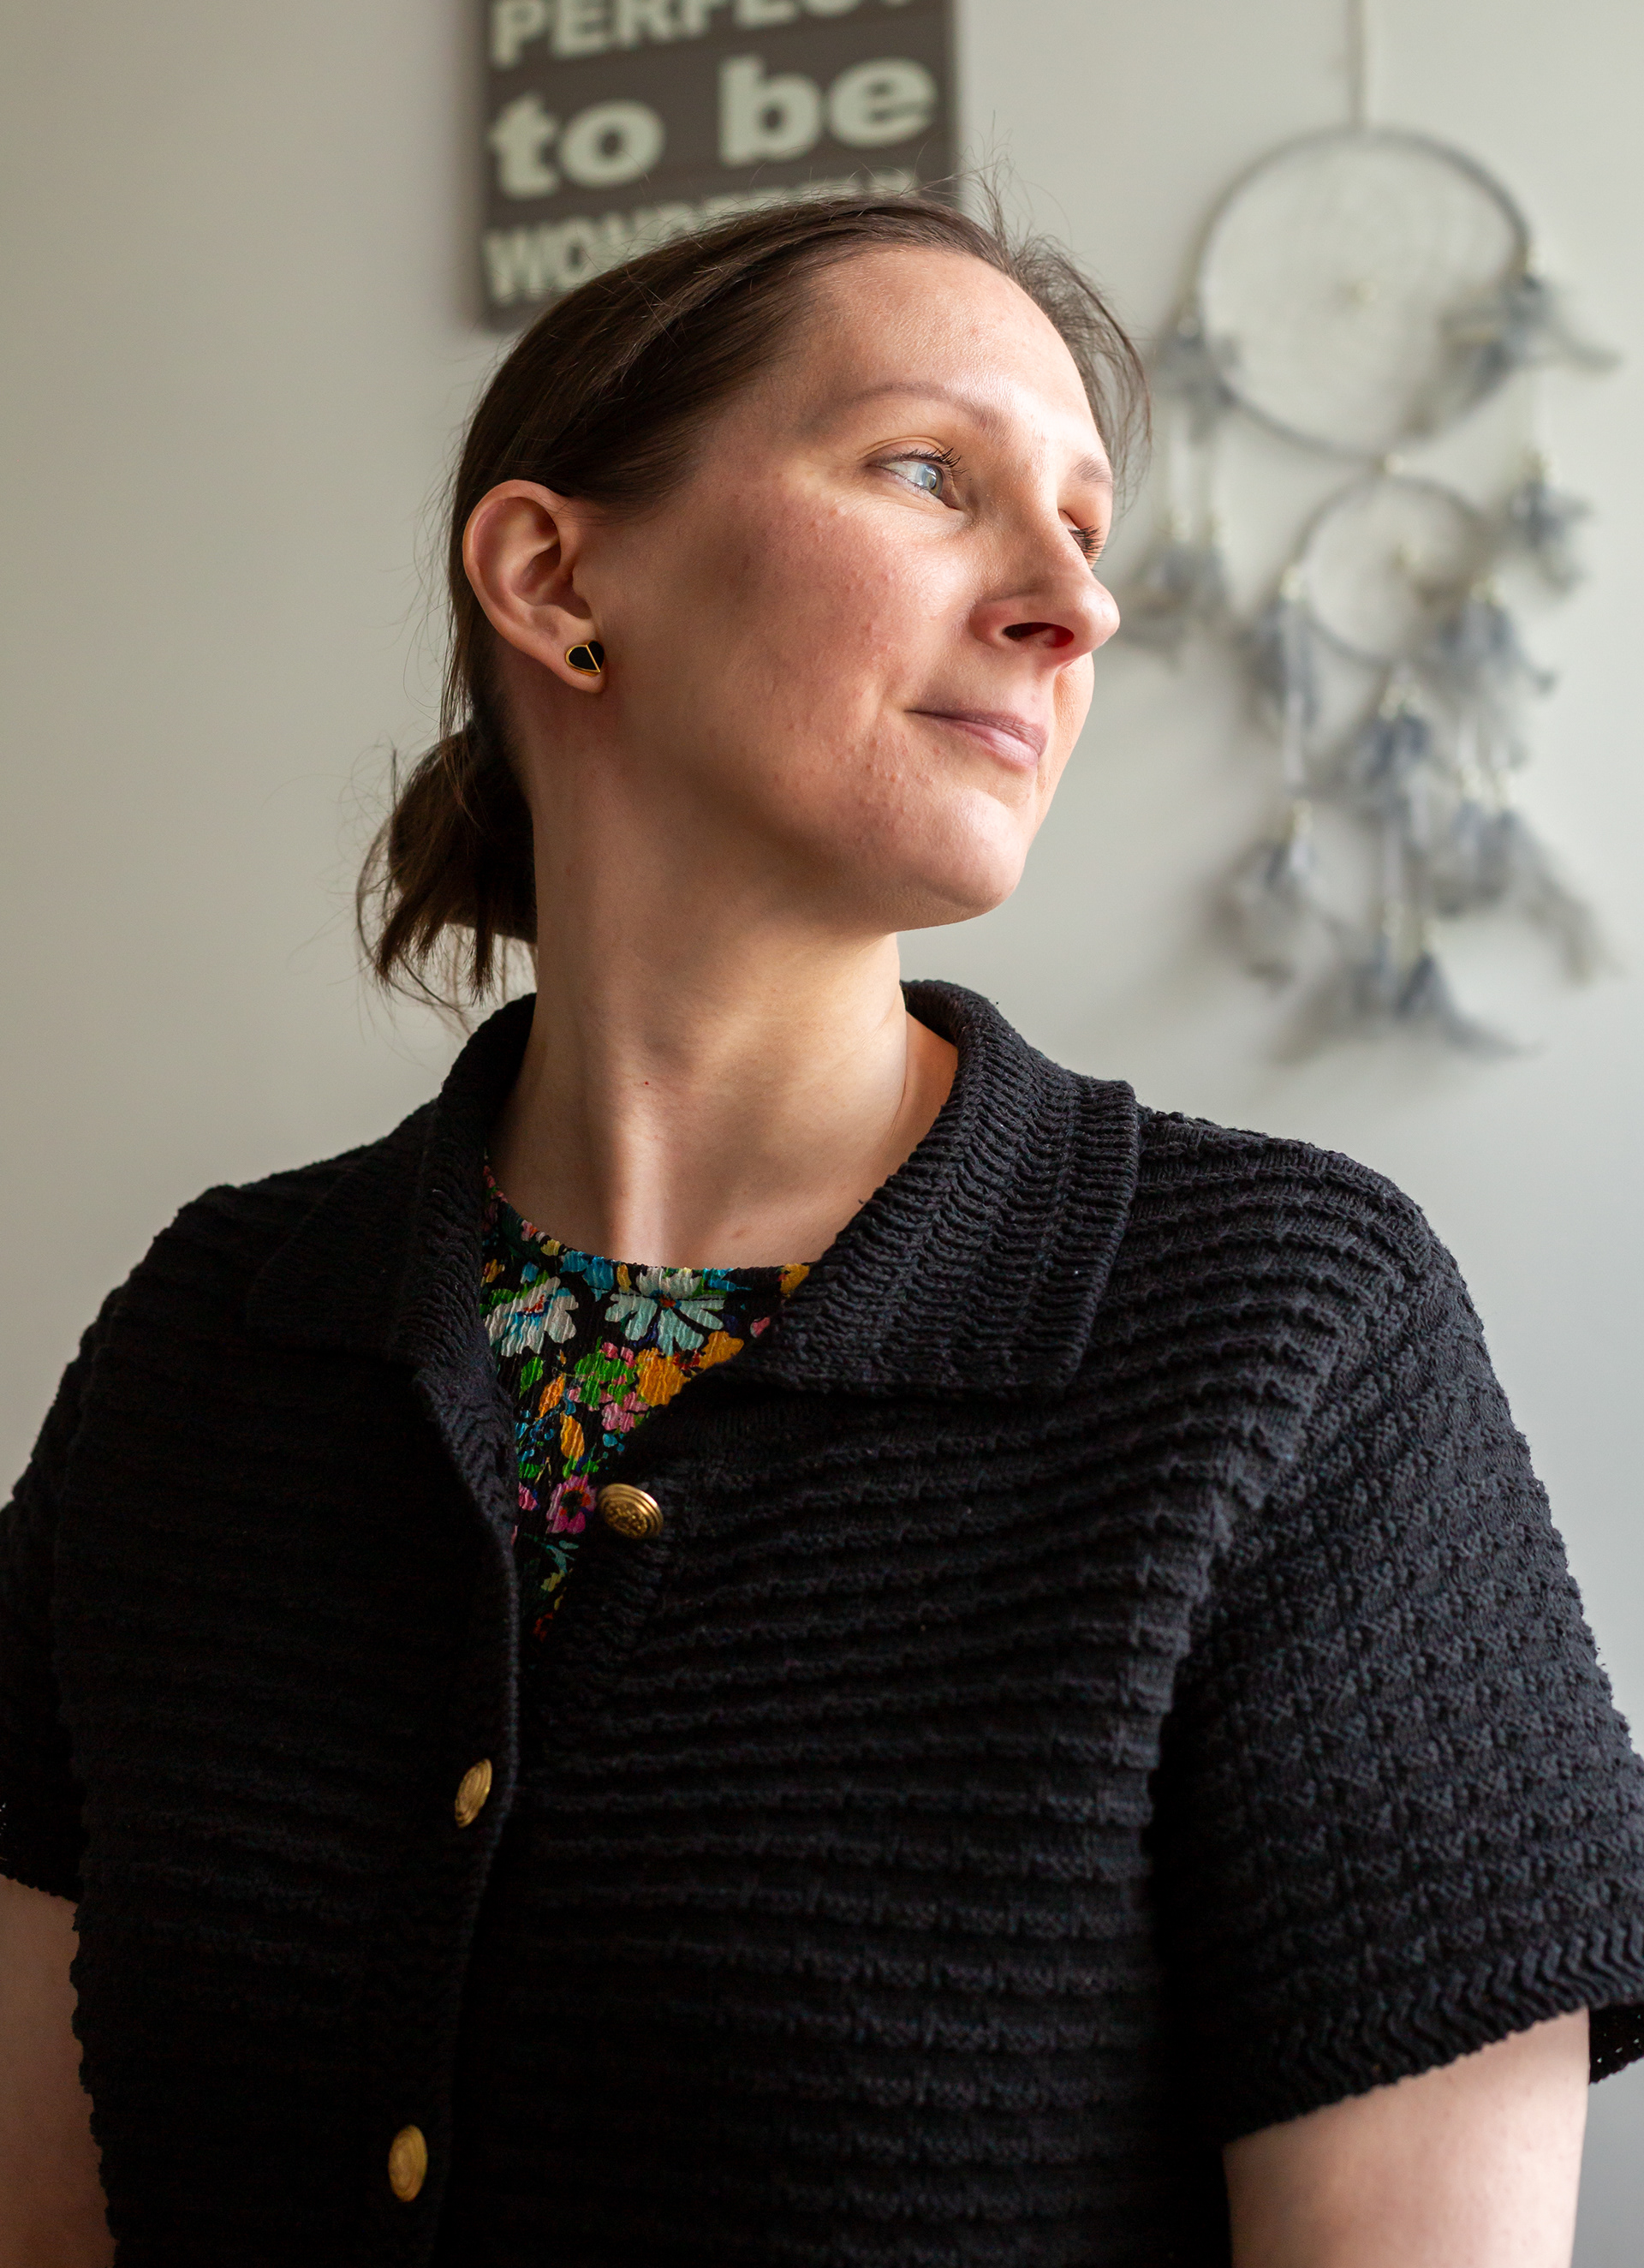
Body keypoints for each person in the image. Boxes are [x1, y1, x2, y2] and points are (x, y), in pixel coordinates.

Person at [2, 188, 1641, 2268]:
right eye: (929, 472)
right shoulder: (215, 1339)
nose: (1073, 602)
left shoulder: (1285, 1334)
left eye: (1087, 527)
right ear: (555, 575)